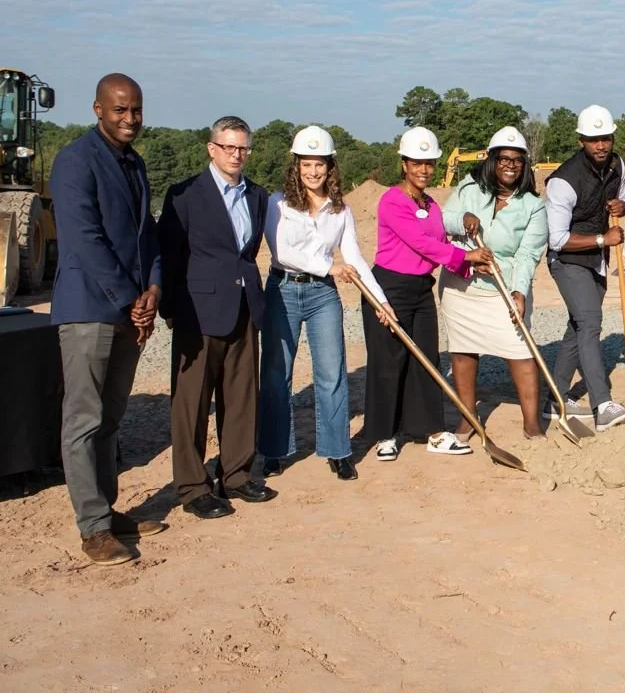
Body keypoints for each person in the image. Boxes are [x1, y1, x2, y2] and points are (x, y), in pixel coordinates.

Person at [49, 73, 165, 565]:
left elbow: (147, 235)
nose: (129, 118)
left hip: (130, 309)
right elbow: (84, 239)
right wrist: (129, 298)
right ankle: (93, 527)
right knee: (85, 418)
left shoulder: (134, 163)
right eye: (120, 109)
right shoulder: (75, 161)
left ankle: (108, 511)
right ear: (98, 109)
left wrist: (154, 288)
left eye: (136, 109)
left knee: (112, 416)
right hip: (90, 309)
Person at [259, 126, 397, 482]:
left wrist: (381, 301)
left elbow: (356, 259)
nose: (313, 171)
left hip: (322, 295)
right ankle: (274, 451)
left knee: (332, 373)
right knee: (276, 373)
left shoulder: (340, 211)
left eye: (319, 164)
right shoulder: (278, 204)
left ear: (330, 167)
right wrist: (329, 267)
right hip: (282, 290)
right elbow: (282, 252)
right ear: (296, 166)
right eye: (306, 164)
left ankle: (338, 451)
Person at [159, 115, 274, 519]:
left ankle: (236, 475)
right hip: (198, 310)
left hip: (244, 307)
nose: (237, 155)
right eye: (229, 147)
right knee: (191, 403)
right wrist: (169, 309)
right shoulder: (185, 195)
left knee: (241, 397)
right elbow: (170, 255)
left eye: (243, 148)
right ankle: (193, 487)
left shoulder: (257, 195)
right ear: (212, 149)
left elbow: (247, 252)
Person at [361, 127, 493, 461]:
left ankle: (432, 431)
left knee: (427, 360)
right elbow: (419, 243)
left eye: (429, 163)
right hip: (389, 287)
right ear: (404, 164)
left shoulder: (431, 204)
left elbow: (441, 243)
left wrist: (469, 267)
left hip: (421, 289)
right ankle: (385, 435)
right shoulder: (392, 200)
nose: (424, 169)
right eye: (417, 163)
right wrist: (466, 257)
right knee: (389, 362)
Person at [440, 125, 549, 440]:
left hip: (504, 289)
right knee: (463, 350)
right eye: (504, 158)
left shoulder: (533, 205)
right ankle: (468, 418)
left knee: (520, 351)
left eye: (517, 160)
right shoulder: (468, 189)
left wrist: (519, 291)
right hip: (462, 288)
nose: (510, 165)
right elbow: (442, 221)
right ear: (492, 160)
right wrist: (462, 220)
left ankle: (531, 424)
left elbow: (528, 254)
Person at [543, 104, 625, 431]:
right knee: (590, 322)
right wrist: (602, 239)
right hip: (567, 261)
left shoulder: (618, 165)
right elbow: (556, 239)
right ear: (581, 140)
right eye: (594, 139)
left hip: (597, 259)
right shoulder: (563, 181)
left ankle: (555, 398)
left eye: (606, 138)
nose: (601, 145)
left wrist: (623, 205)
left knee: (578, 326)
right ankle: (603, 405)